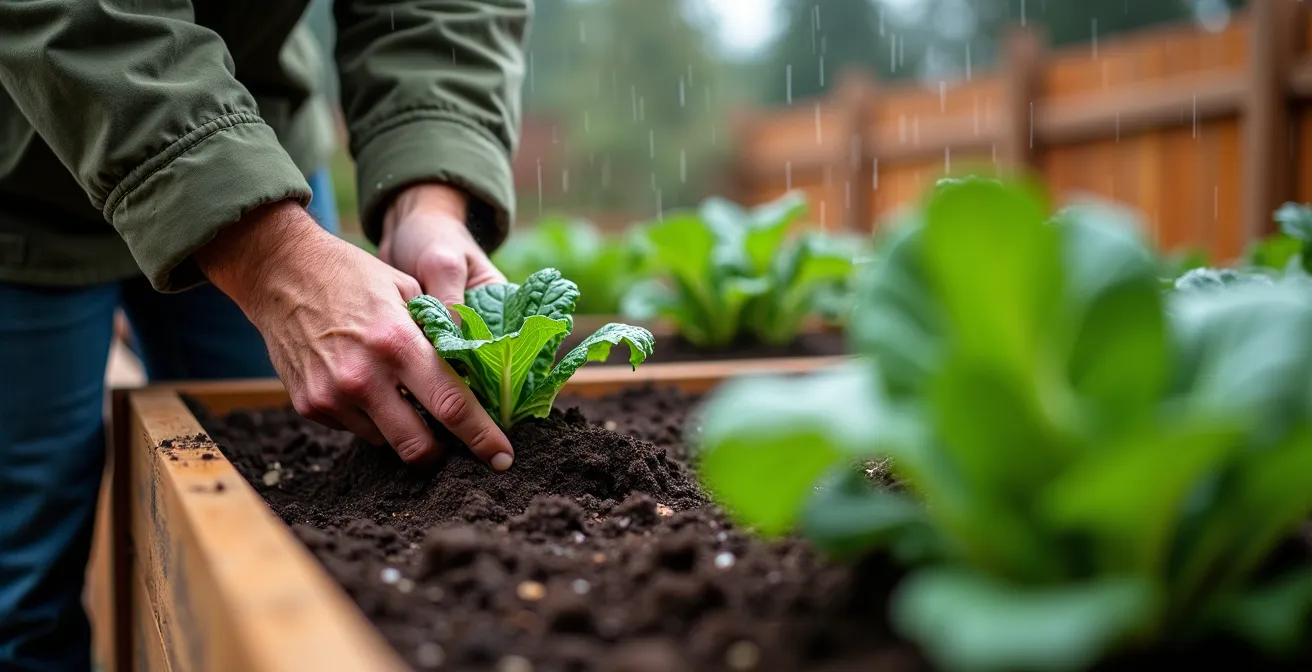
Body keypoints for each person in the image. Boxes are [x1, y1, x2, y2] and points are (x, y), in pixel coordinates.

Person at [0, 2, 530, 670]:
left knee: (282, 509)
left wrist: (428, 193)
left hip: (250, 138)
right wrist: (273, 257)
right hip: (19, 166)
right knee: (19, 592)